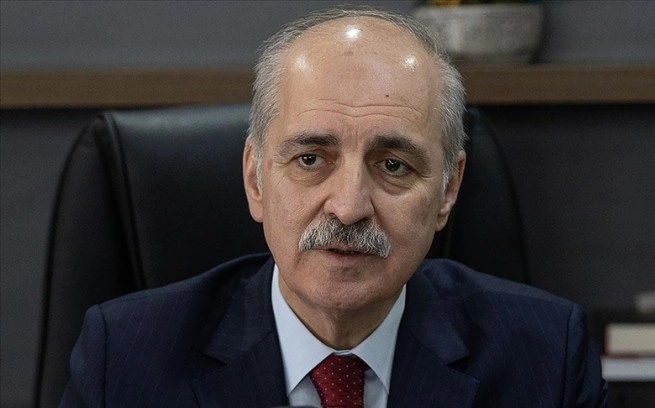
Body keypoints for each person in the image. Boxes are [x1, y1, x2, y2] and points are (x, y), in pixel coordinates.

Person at [60, 6, 607, 408]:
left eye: (393, 165)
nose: (348, 208)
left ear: (447, 190)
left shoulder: (546, 358)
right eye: (310, 159)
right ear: (255, 178)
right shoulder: (125, 360)